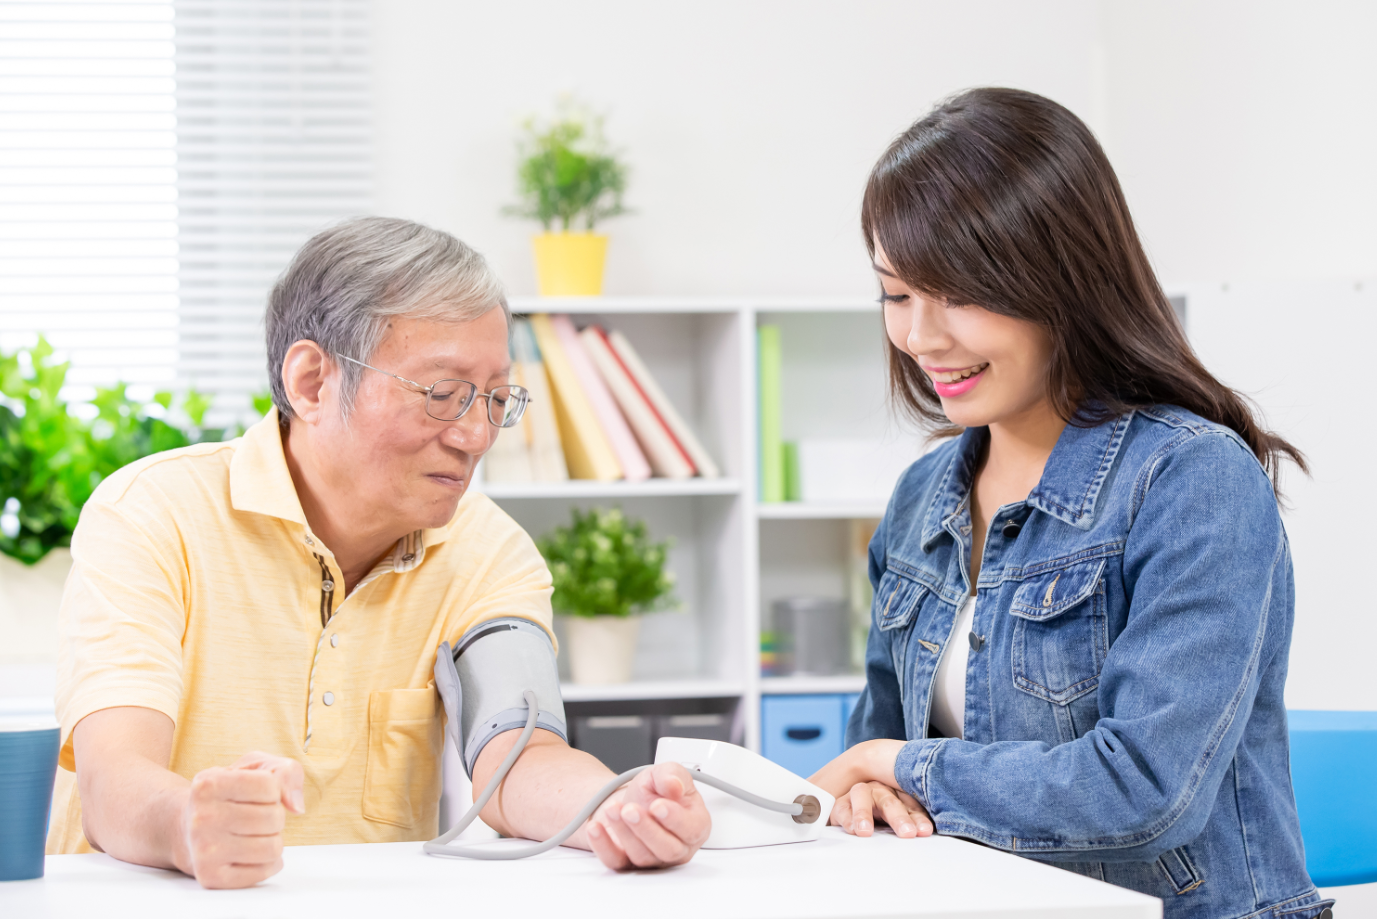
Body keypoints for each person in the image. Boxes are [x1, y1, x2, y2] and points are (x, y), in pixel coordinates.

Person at [47, 217, 710, 886]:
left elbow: (517, 757)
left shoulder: (487, 550)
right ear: (311, 382)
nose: (476, 434)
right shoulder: (152, 513)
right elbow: (113, 780)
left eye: (496, 398)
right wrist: (187, 821)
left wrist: (616, 807)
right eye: (444, 394)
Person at [808, 89, 1333, 919]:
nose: (919, 335)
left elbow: (1144, 789)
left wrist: (902, 768)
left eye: (957, 293)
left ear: (1060, 277)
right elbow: (867, 766)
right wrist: (868, 790)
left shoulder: (1190, 479)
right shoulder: (921, 498)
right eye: (896, 294)